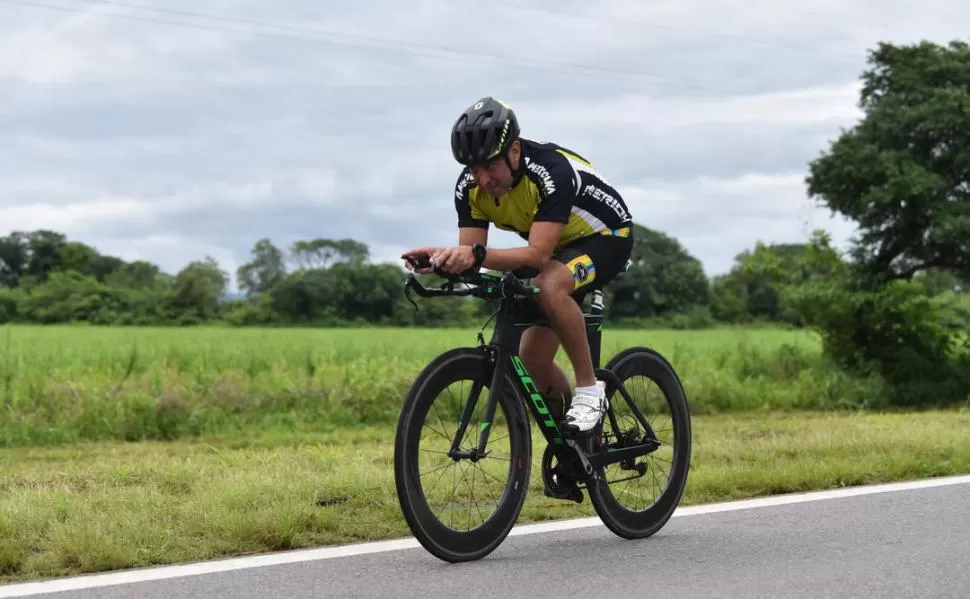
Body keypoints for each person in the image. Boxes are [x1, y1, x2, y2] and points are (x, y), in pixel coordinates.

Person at [401, 96, 634, 436]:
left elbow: (536, 256)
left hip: (606, 236)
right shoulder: (469, 189)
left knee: (549, 283)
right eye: (473, 169)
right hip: (554, 244)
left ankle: (589, 388)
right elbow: (471, 255)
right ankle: (572, 446)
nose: (482, 179)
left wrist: (475, 256)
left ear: (513, 151)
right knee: (531, 357)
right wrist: (442, 259)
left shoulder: (550, 172)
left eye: (489, 166)